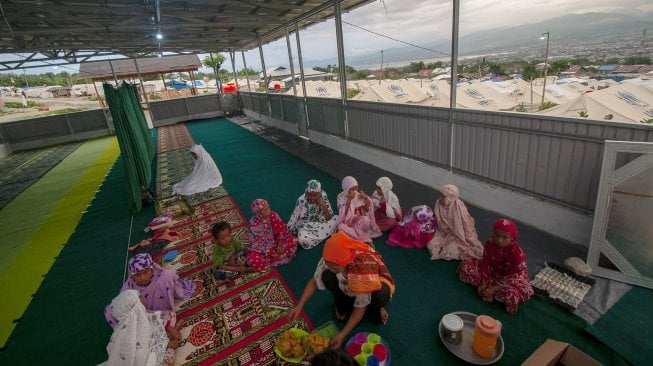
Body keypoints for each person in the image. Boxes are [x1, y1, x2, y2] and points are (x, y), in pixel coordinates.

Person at [288, 231, 394, 349]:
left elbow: (360, 308)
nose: (331, 268)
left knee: (381, 296)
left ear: (347, 261)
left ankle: (378, 308)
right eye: (329, 264)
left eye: (335, 266)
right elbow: (313, 282)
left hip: (373, 284)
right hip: (350, 282)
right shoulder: (330, 257)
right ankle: (343, 304)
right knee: (326, 276)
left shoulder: (362, 270)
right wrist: (299, 306)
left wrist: (342, 334)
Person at [458, 219, 534, 315]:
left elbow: (516, 278)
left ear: (512, 238)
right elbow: (485, 263)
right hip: (492, 274)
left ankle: (491, 294)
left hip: (508, 282)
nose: (499, 240)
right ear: (493, 233)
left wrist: (493, 288)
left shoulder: (518, 254)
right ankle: (488, 293)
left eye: (504, 237)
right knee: (466, 266)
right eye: (497, 235)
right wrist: (484, 283)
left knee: (512, 296)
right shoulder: (490, 243)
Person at [105, 253, 196, 327]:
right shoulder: (129, 286)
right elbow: (121, 305)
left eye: (145, 272)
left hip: (157, 316)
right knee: (110, 310)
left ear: (152, 269)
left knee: (168, 319)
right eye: (137, 275)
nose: (142, 278)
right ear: (132, 276)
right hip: (143, 316)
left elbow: (175, 288)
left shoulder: (163, 277)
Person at [102, 290, 179, 366]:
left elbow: (158, 327)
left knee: (168, 318)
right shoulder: (129, 333)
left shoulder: (144, 317)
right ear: (137, 307)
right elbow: (140, 354)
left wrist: (169, 332)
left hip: (152, 346)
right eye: (140, 297)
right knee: (168, 355)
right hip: (144, 360)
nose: (143, 297)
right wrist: (166, 344)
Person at [427, 184, 484, 260]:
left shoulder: (458, 208)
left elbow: (466, 225)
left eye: (442, 196)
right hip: (443, 232)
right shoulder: (438, 203)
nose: (439, 198)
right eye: (439, 195)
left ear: (450, 198)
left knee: (450, 250)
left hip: (458, 234)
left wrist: (466, 238)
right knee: (431, 243)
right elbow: (440, 222)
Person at [247, 199, 298, 271]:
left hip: (277, 242)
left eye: (268, 207)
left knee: (293, 241)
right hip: (263, 250)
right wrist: (268, 250)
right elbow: (254, 244)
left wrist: (279, 245)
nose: (269, 210)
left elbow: (281, 230)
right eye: (266, 210)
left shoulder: (273, 215)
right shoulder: (253, 223)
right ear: (259, 213)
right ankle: (275, 258)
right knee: (252, 259)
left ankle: (274, 259)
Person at [287, 179, 338, 249]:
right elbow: (294, 217)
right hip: (305, 226)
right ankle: (321, 234)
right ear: (306, 192)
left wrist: (324, 206)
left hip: (320, 223)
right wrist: (288, 232)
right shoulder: (301, 200)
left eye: (316, 195)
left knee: (337, 219)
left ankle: (316, 235)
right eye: (310, 195)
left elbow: (329, 218)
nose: (313, 198)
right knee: (302, 239)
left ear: (320, 193)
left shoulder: (323, 196)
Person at [334, 176, 381, 243]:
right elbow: (343, 215)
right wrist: (349, 200)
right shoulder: (341, 197)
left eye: (356, 188)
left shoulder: (358, 195)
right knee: (340, 227)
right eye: (352, 189)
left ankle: (354, 236)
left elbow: (367, 210)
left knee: (367, 220)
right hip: (347, 224)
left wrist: (366, 198)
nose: (355, 191)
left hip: (358, 222)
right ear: (346, 188)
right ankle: (363, 238)